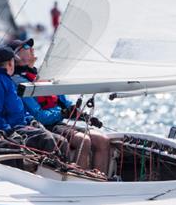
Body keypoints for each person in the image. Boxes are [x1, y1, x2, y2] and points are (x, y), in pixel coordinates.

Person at [9, 38, 111, 175]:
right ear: (16, 56)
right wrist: (62, 113)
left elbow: (64, 102)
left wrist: (82, 115)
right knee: (83, 141)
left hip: (58, 122)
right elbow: (39, 116)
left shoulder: (40, 76)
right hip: (42, 126)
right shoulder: (19, 83)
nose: (32, 48)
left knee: (102, 140)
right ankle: (78, 183)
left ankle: (101, 182)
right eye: (26, 47)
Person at [0, 44, 66, 159]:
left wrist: (31, 121)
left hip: (20, 126)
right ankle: (56, 171)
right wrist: (9, 132)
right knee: (46, 138)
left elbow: (18, 110)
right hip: (11, 130)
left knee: (60, 140)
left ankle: (63, 169)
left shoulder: (5, 80)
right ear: (10, 63)